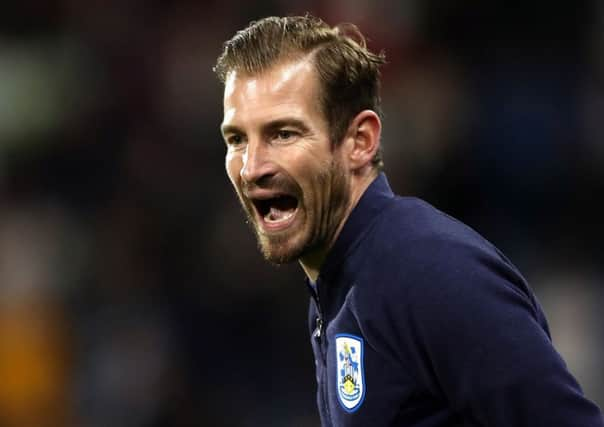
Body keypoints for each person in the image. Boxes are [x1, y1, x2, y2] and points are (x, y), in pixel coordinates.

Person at [214, 14, 604, 427]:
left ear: (359, 142)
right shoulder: (338, 286)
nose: (251, 167)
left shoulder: (428, 270)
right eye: (237, 139)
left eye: (283, 133)